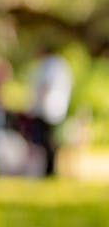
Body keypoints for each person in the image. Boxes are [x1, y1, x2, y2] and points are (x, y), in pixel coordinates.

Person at [29, 46, 73, 177]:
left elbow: (44, 85)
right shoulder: (60, 64)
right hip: (56, 109)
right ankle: (50, 169)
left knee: (47, 141)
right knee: (50, 140)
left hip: (47, 109)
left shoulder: (50, 65)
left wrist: (35, 105)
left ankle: (49, 169)